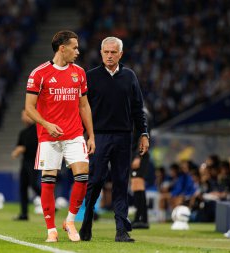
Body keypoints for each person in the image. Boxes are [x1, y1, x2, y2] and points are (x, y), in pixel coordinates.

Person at [25, 30, 95, 243]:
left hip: (74, 134)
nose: (78, 51)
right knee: (48, 181)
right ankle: (51, 230)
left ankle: (71, 221)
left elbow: (84, 105)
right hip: (49, 136)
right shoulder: (39, 73)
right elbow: (29, 108)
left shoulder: (80, 73)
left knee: (83, 176)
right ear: (62, 48)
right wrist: (46, 124)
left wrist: (91, 135)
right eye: (74, 47)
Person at [79, 37, 149, 242]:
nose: (109, 56)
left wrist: (143, 133)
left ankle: (121, 230)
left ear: (121, 54)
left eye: (113, 52)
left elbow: (138, 108)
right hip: (98, 137)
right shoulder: (90, 77)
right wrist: (85, 136)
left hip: (123, 137)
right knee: (96, 181)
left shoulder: (130, 76)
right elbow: (82, 110)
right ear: (101, 53)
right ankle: (87, 221)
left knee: (120, 182)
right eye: (106, 52)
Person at [11, 109, 41, 220]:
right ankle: (24, 214)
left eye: (25, 115)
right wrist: (18, 150)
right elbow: (19, 146)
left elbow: (30, 146)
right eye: (23, 115)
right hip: (25, 161)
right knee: (23, 187)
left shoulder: (37, 129)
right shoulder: (23, 132)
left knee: (33, 184)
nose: (23, 117)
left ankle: (49, 203)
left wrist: (20, 149)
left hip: (34, 160)